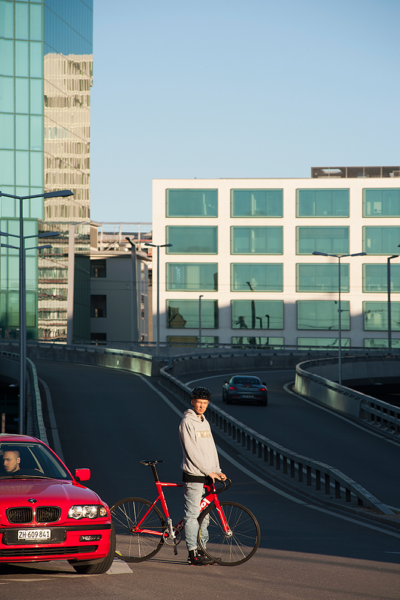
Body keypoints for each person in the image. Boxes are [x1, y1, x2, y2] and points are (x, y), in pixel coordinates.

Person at [179, 386, 227, 566]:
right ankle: (192, 553)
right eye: (199, 402)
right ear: (192, 402)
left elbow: (211, 449)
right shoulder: (187, 422)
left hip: (208, 475)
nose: (201, 406)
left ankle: (202, 549)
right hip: (194, 475)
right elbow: (192, 453)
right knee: (192, 515)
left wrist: (217, 469)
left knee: (205, 516)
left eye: (205, 403)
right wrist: (209, 471)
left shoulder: (204, 422)